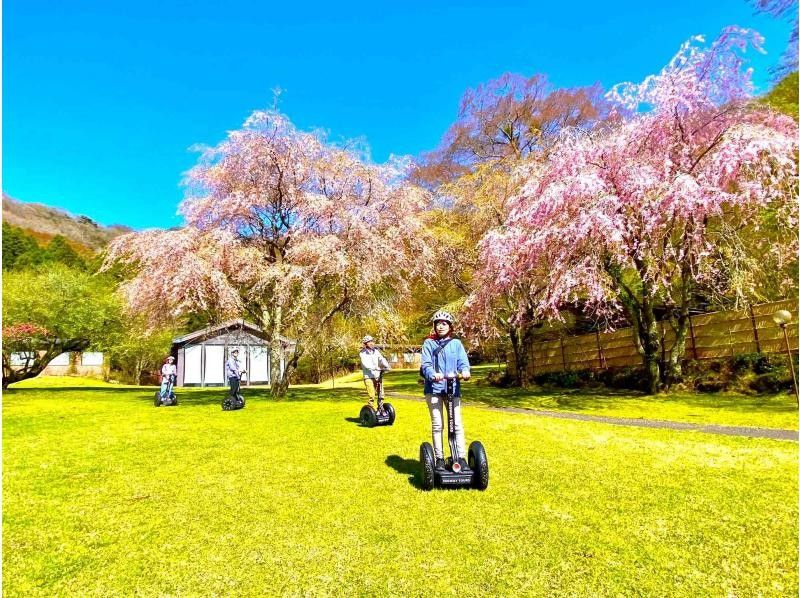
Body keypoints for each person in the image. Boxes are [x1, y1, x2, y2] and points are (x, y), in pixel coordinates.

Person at [420, 311, 471, 471]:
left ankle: (461, 457)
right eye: (438, 323)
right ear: (434, 326)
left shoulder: (456, 344)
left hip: (453, 389)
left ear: (450, 326)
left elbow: (463, 362)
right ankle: (440, 459)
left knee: (456, 424)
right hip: (433, 389)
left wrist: (465, 371)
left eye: (444, 323)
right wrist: (432, 374)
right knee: (437, 425)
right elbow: (426, 364)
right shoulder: (429, 343)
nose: (440, 326)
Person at [359, 335, 390, 406]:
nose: (371, 343)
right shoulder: (362, 353)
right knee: (372, 395)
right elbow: (366, 364)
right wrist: (376, 368)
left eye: (372, 341)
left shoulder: (376, 351)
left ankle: (381, 409)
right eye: (369, 342)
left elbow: (381, 359)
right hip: (368, 377)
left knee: (381, 394)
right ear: (365, 343)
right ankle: (370, 411)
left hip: (377, 376)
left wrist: (387, 366)